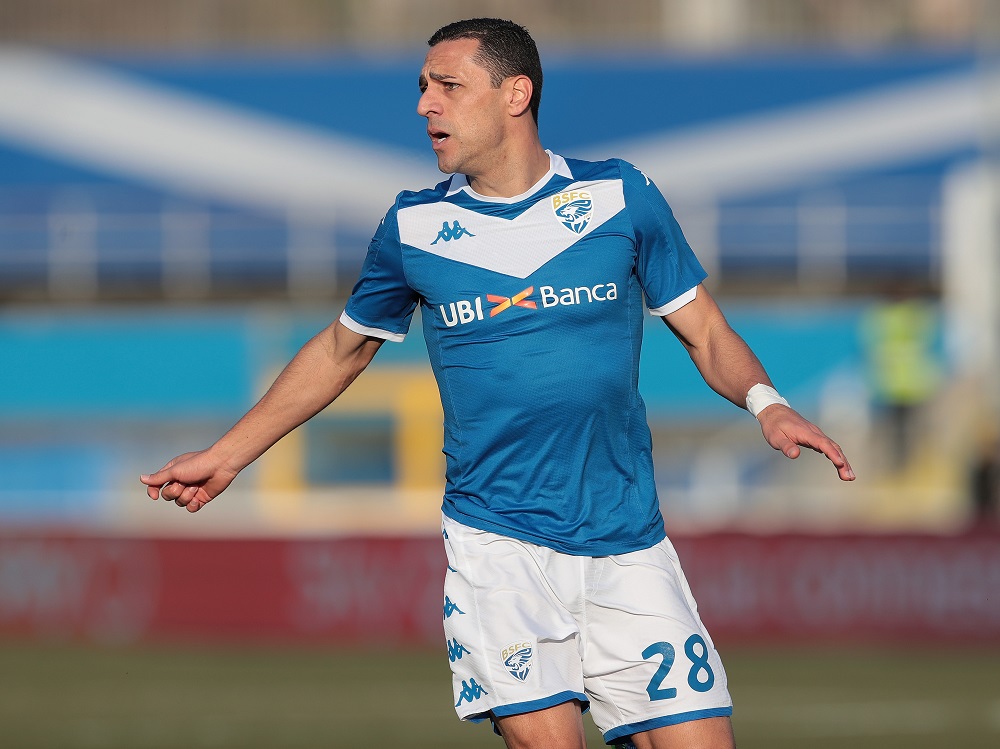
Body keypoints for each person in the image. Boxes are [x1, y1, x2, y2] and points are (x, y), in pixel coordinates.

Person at [141, 18, 854, 749]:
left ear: (517, 94)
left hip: (629, 542)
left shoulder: (621, 196)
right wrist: (227, 455)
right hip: (499, 549)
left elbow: (705, 330)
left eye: (448, 86)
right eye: (423, 87)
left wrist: (768, 404)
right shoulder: (414, 226)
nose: (425, 105)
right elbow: (339, 351)